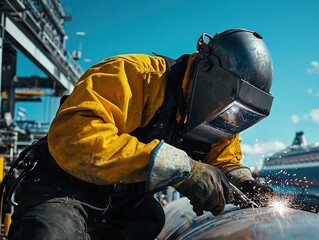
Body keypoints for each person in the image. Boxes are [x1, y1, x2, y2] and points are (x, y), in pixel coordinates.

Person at [8, 28, 274, 239]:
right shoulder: (135, 75)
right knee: (50, 232)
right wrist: (177, 167)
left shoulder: (222, 114)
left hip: (124, 198)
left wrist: (245, 183)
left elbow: (223, 159)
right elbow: (75, 137)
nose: (229, 121)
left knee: (148, 220)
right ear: (206, 71)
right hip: (65, 184)